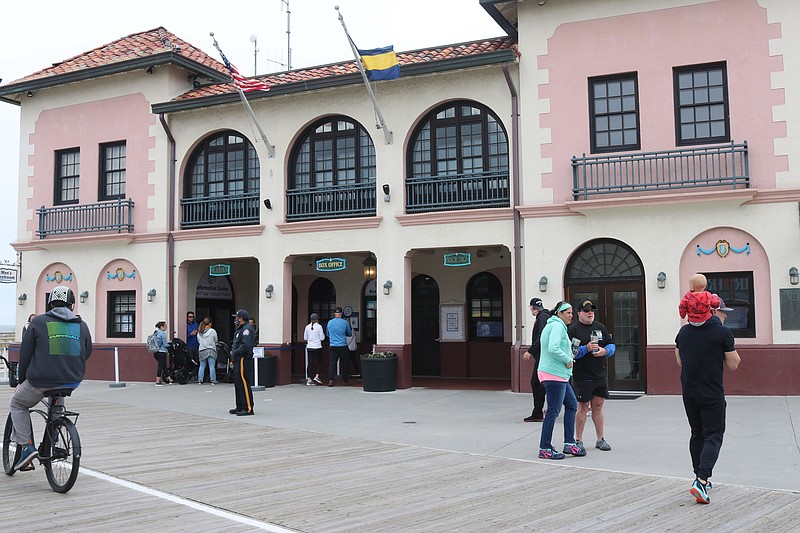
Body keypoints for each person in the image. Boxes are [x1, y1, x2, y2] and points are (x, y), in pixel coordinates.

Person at [9, 285, 93, 472]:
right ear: (71, 305)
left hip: (40, 379)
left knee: (18, 404)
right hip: (71, 379)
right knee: (58, 394)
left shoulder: (38, 322)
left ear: (50, 304)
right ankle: (54, 434)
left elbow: (25, 354)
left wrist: (21, 380)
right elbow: (87, 352)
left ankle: (26, 447)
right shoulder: (81, 325)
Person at [675, 297, 740, 504]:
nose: (725, 315)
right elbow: (733, 365)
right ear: (712, 311)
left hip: (690, 392)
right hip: (712, 394)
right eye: (722, 311)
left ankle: (698, 477)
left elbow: (679, 360)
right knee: (714, 435)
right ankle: (702, 480)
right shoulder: (722, 332)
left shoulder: (683, 332)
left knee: (697, 434)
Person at [537, 301, 585, 460]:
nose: (571, 315)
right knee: (553, 411)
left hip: (559, 375)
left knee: (571, 405)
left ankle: (569, 443)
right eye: (568, 313)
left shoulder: (553, 325)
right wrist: (567, 359)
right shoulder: (557, 326)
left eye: (572, 313)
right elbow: (553, 347)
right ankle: (545, 447)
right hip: (554, 374)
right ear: (559, 313)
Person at [568, 299, 616, 453]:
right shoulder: (573, 329)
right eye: (587, 311)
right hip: (583, 375)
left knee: (598, 406)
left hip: (599, 374)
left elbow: (611, 344)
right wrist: (586, 348)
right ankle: (579, 440)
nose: (590, 313)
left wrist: (605, 351)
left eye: (592, 311)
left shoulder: (600, 327)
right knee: (583, 407)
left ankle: (600, 439)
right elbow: (571, 353)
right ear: (579, 313)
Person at [522, 297, 549, 422]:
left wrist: (530, 350)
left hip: (543, 356)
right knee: (540, 383)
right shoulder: (544, 316)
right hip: (543, 355)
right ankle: (538, 411)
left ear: (532, 308)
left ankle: (538, 412)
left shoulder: (542, 317)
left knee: (537, 383)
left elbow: (541, 336)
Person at [229, 309, 255, 416]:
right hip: (238, 359)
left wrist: (235, 352)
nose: (236, 319)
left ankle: (248, 407)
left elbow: (245, 345)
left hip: (243, 358)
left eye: (237, 317)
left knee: (244, 382)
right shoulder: (239, 330)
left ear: (241, 318)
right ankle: (240, 405)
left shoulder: (247, 330)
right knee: (238, 382)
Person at [326, 307, 353, 387]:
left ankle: (331, 380)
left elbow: (327, 334)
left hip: (332, 346)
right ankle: (345, 380)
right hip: (342, 345)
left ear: (334, 314)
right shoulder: (345, 323)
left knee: (332, 363)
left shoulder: (330, 322)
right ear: (341, 314)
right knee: (345, 363)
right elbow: (350, 333)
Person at [304, 313, 325, 386]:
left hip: (309, 346)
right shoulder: (319, 327)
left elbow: (305, 338)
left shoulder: (307, 327)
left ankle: (309, 379)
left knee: (310, 362)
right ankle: (317, 375)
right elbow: (322, 338)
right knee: (320, 361)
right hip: (317, 346)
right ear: (317, 319)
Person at [197, 317, 219, 384]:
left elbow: (199, 341)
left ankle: (200, 380)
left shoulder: (199, 332)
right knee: (211, 366)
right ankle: (213, 380)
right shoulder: (212, 331)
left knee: (202, 366)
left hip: (202, 350)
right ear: (210, 323)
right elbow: (216, 340)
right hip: (211, 349)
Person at [152, 321, 169, 386]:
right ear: (161, 326)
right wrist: (169, 345)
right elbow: (165, 344)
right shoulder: (162, 334)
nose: (166, 327)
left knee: (164, 365)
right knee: (161, 366)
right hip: (162, 352)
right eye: (165, 326)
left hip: (155, 352)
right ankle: (157, 380)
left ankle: (169, 378)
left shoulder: (155, 332)